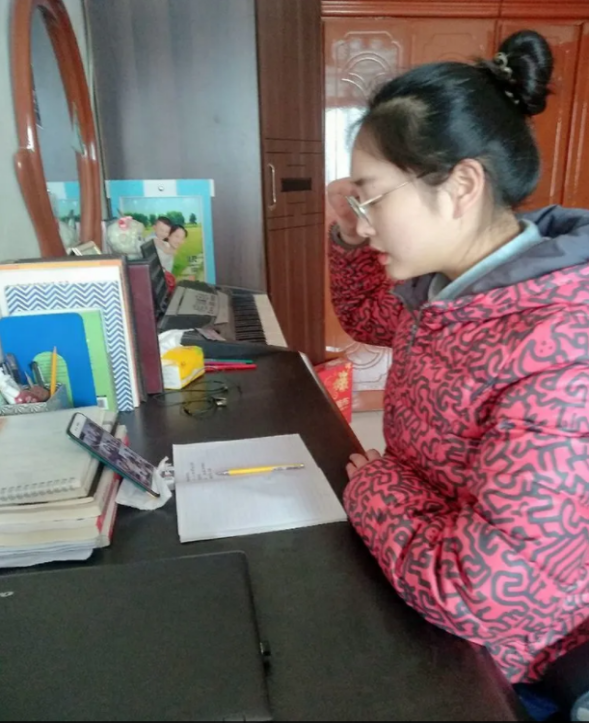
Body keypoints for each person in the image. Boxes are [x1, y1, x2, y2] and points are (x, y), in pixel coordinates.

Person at [327, 29, 589, 718]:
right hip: (430, 590)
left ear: (461, 186)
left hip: (517, 663)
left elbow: (482, 593)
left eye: (371, 198)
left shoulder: (562, 344)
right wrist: (349, 235)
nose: (364, 220)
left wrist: (376, 487)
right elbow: (364, 315)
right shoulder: (454, 288)